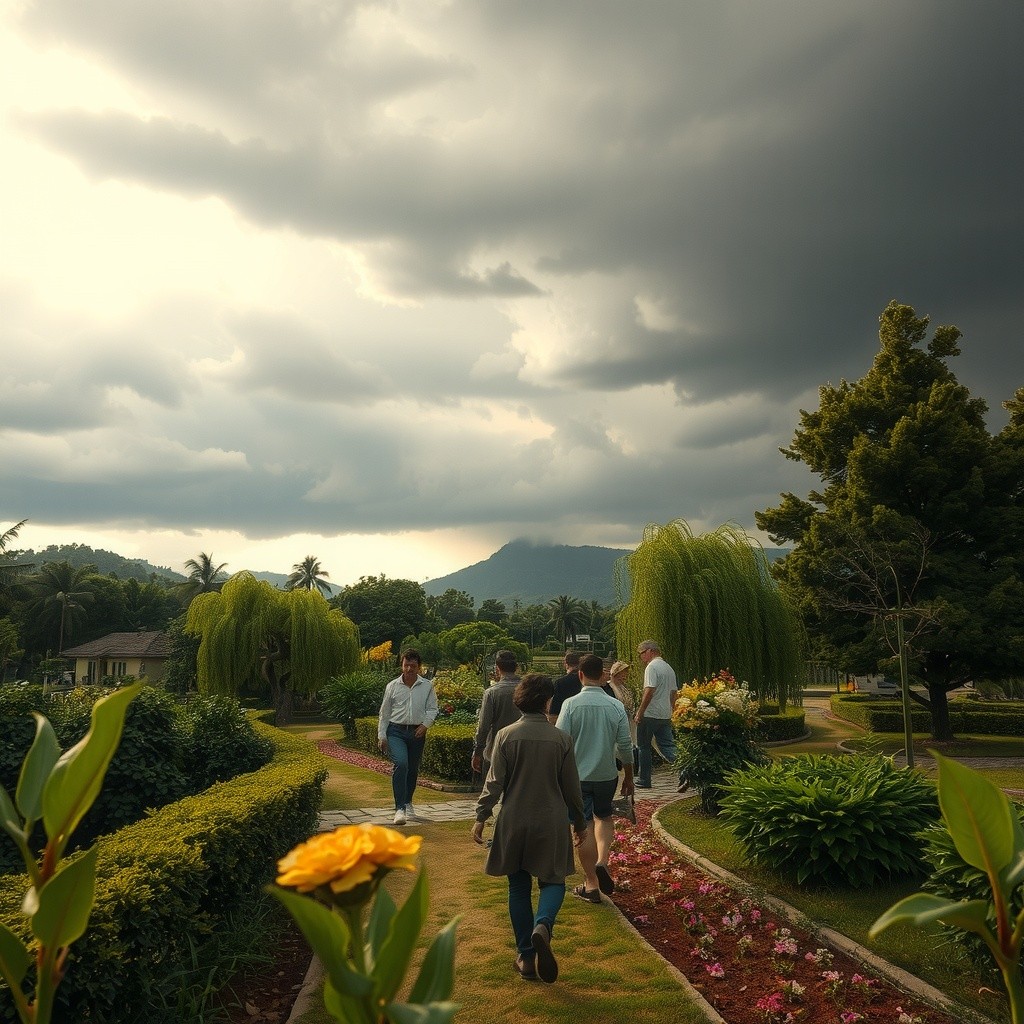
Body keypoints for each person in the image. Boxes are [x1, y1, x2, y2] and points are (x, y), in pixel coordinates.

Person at [473, 674, 586, 983]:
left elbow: (494, 783)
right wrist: (579, 821)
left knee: (519, 887)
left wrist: (481, 815)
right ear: (547, 701)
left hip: (513, 819)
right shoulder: (561, 739)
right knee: (553, 882)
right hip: (551, 820)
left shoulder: (506, 736)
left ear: (520, 700)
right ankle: (544, 926)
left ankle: (525, 957)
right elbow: (572, 788)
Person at [555, 653, 634, 903]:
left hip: (577, 776)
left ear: (579, 675)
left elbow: (561, 742)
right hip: (606, 774)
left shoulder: (570, 705)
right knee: (605, 816)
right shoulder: (615, 706)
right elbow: (625, 745)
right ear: (603, 675)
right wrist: (629, 777)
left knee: (583, 824)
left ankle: (591, 882)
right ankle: (602, 861)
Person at [378, 649, 438, 825]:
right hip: (396, 731)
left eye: (413, 665)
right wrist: (382, 735)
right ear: (401, 665)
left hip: (417, 732)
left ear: (419, 667)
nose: (410, 669)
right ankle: (400, 808)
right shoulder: (392, 686)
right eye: (406, 665)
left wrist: (425, 725)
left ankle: (408, 801)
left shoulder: (427, 686)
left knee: (412, 768)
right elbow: (384, 712)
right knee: (401, 764)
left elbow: (433, 708)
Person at [633, 639, 678, 789]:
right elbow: (674, 693)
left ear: (650, 651)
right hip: (665, 714)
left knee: (644, 747)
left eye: (642, 653)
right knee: (668, 745)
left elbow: (649, 691)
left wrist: (640, 712)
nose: (641, 657)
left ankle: (644, 780)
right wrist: (671, 710)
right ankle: (686, 769)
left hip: (650, 714)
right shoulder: (668, 668)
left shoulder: (651, 667)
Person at [472, 650, 522, 777]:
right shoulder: (527, 689)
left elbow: (484, 726)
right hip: (523, 748)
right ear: (516, 667)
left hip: (497, 748)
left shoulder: (492, 693)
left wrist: (478, 751)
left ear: (497, 668)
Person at [606, 659, 638, 769]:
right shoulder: (608, 687)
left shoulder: (625, 687)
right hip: (617, 719)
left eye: (625, 674)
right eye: (622, 674)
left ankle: (629, 764)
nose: (624, 676)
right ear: (615, 674)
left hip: (629, 719)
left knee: (630, 742)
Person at [547, 650, 582, 723]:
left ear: (566, 664)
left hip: (565, 720)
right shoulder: (587, 680)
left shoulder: (560, 683)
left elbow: (554, 711)